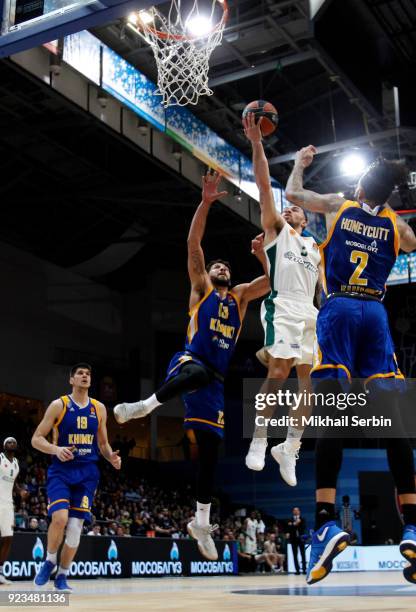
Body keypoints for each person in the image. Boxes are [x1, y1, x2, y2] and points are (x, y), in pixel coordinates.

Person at [286, 147, 416, 587]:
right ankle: (412, 525)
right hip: (376, 317)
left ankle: (326, 520)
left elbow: (292, 193)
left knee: (334, 415)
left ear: (361, 184)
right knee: (393, 422)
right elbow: (412, 242)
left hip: (341, 308)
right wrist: (385, 205)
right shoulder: (393, 223)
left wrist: (299, 166)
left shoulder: (338, 205)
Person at [114, 171, 270, 561]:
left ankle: (201, 522)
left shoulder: (241, 297)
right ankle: (145, 406)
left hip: (215, 381)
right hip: (189, 361)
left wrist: (262, 254)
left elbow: (275, 281)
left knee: (212, 454)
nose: (217, 268)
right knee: (196, 372)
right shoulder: (200, 289)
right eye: (214, 266)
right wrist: (204, 202)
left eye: (223, 266)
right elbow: (193, 244)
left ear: (230, 274)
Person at [243, 113, 321, 486]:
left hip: (311, 313)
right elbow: (262, 185)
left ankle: (289, 447)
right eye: (287, 207)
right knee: (278, 374)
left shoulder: (314, 247)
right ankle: (259, 439)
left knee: (310, 385)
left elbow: (322, 290)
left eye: (295, 209)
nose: (289, 209)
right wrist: (258, 143)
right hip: (283, 306)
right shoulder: (277, 232)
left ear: (306, 219)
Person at [31, 363, 121, 592]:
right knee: (59, 519)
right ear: (71, 379)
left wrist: (111, 457)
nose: (85, 376)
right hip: (61, 471)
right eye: (80, 373)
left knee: (74, 528)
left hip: (87, 474)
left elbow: (102, 443)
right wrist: (56, 449)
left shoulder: (99, 408)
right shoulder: (58, 405)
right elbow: (36, 439)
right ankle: (50, 560)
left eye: (88, 374)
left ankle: (62, 575)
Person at [0, 437, 25, 585]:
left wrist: (20, 491)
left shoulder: (16, 464)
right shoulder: (0, 458)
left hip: (8, 503)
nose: (12, 443)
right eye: (9, 442)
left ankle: (0, 572)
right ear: (4, 446)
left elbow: (13, 481)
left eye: (14, 442)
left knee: (8, 537)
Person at [285, 506, 306, 575]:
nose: (296, 511)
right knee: (295, 555)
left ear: (299, 511)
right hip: (293, 539)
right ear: (293, 512)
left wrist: (294, 525)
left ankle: (304, 569)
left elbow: (303, 528)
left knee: (303, 555)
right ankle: (297, 570)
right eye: (294, 510)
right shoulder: (290, 520)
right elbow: (289, 529)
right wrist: (295, 524)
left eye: (297, 510)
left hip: (301, 539)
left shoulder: (302, 519)